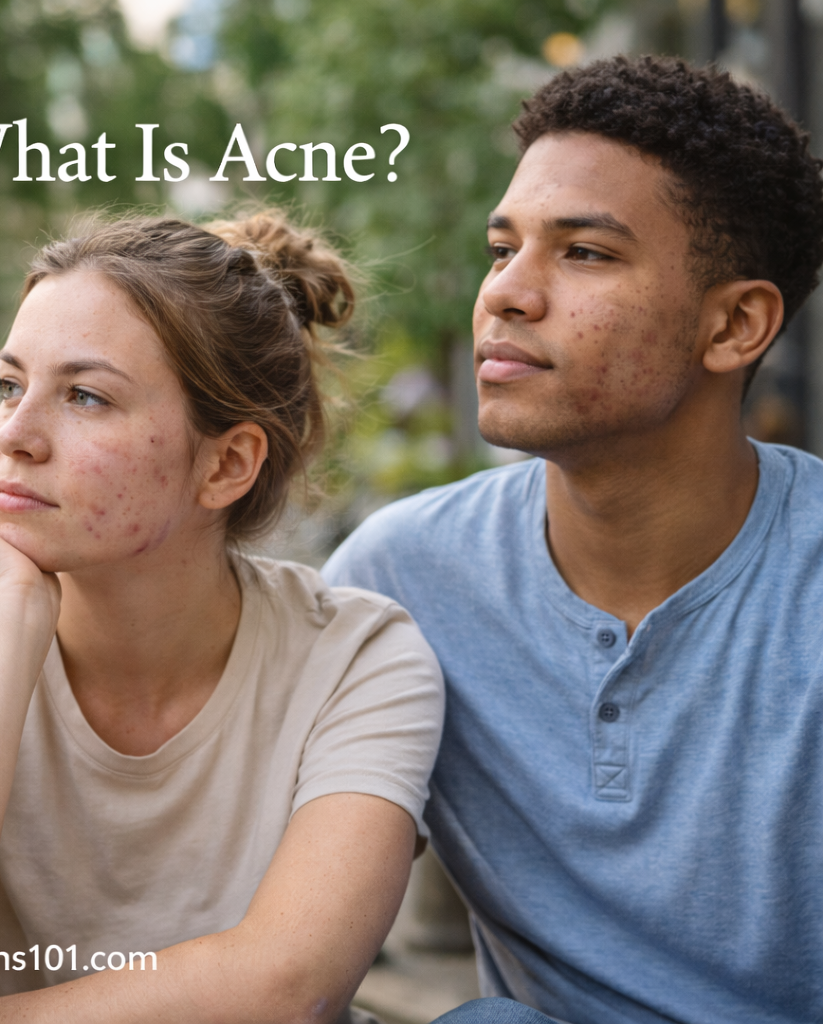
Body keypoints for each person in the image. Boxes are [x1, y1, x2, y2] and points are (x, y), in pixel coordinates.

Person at [0, 212, 444, 1024]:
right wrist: (9, 617)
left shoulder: (356, 657)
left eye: (85, 396)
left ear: (226, 464)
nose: (15, 437)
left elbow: (288, 988)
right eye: (10, 385)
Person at [324, 56, 823, 1024]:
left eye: (584, 252)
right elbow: (266, 923)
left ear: (734, 324)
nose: (506, 293)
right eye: (500, 247)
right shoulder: (403, 580)